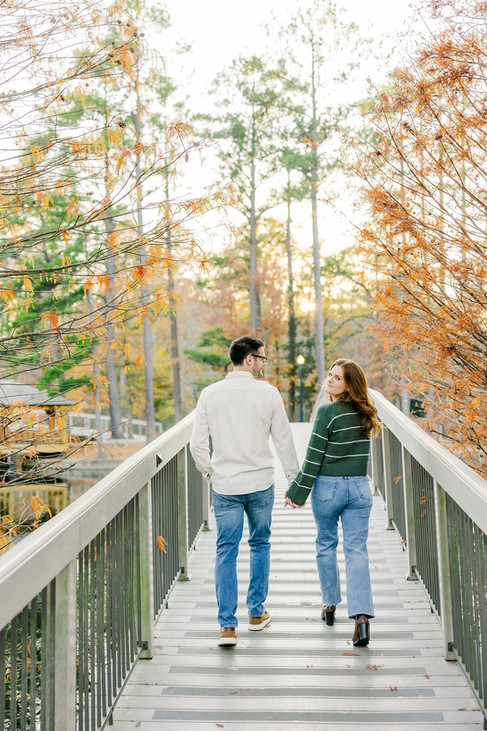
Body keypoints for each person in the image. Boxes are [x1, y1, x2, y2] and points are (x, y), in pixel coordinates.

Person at [190, 335, 299, 647]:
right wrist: (294, 480)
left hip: (225, 484)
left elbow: (197, 445)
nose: (264, 364)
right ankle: (255, 613)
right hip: (261, 482)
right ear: (249, 359)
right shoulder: (269, 394)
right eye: (262, 358)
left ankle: (227, 626)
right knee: (259, 543)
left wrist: (210, 471)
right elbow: (284, 441)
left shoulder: (209, 395)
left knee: (226, 550)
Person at [285, 358, 381, 646]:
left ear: (349, 384)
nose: (330, 379)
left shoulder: (327, 412)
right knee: (357, 551)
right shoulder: (367, 412)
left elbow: (314, 457)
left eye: (337, 377)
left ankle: (329, 605)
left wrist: (297, 492)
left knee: (326, 544)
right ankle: (361, 618)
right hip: (359, 488)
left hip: (328, 489)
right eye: (330, 374)